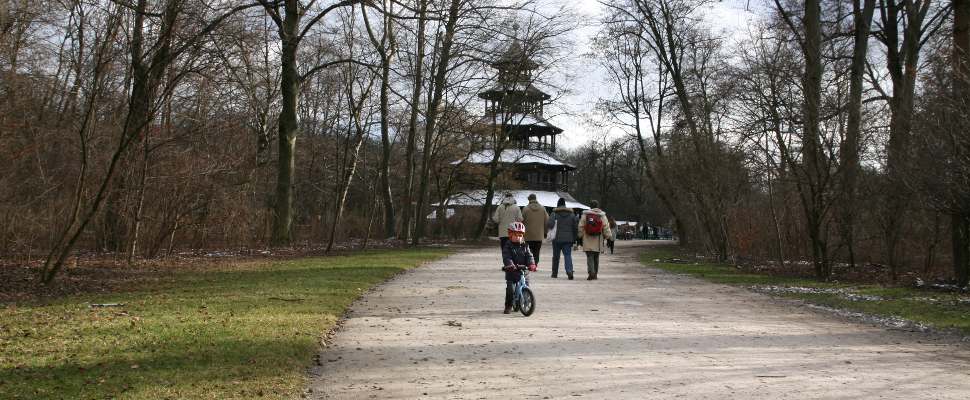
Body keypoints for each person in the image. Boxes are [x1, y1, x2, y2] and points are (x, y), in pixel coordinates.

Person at [501, 222, 536, 314]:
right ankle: (508, 305)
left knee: (526, 286)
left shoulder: (525, 245)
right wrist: (510, 264)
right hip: (512, 271)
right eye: (515, 235)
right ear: (510, 235)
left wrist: (531, 264)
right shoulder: (508, 246)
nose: (518, 237)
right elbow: (506, 256)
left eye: (520, 235)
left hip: (524, 270)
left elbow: (529, 256)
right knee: (510, 289)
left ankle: (525, 302)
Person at [578, 200, 613, 280]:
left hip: (588, 238)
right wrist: (608, 236)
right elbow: (606, 227)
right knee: (596, 257)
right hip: (598, 239)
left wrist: (580, 235)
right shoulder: (602, 215)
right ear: (598, 206)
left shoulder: (585, 215)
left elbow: (581, 226)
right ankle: (595, 273)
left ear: (590, 206)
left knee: (590, 256)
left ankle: (591, 272)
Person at [547, 198, 578, 279]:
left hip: (556, 239)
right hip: (568, 239)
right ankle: (569, 271)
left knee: (556, 256)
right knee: (568, 255)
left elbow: (550, 224)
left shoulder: (554, 213)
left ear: (558, 204)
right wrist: (574, 239)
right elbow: (575, 228)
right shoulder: (572, 214)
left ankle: (554, 273)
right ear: (565, 205)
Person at [521, 193, 548, 265]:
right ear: (536, 199)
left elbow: (521, 221)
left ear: (529, 199)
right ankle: (535, 263)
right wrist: (545, 232)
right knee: (537, 251)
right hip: (539, 235)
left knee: (529, 250)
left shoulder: (525, 209)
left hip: (528, 235)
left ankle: (530, 263)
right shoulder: (543, 208)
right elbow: (546, 221)